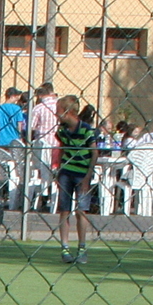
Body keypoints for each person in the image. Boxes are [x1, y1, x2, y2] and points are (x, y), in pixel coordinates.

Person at [53, 95, 97, 262]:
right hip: (66, 172)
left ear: (68, 112)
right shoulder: (62, 130)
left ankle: (82, 247)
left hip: (81, 174)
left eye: (58, 111)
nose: (56, 114)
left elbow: (94, 153)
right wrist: (59, 170)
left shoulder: (86, 129)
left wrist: (87, 176)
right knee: (64, 210)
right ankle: (65, 248)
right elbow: (62, 149)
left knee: (81, 211)